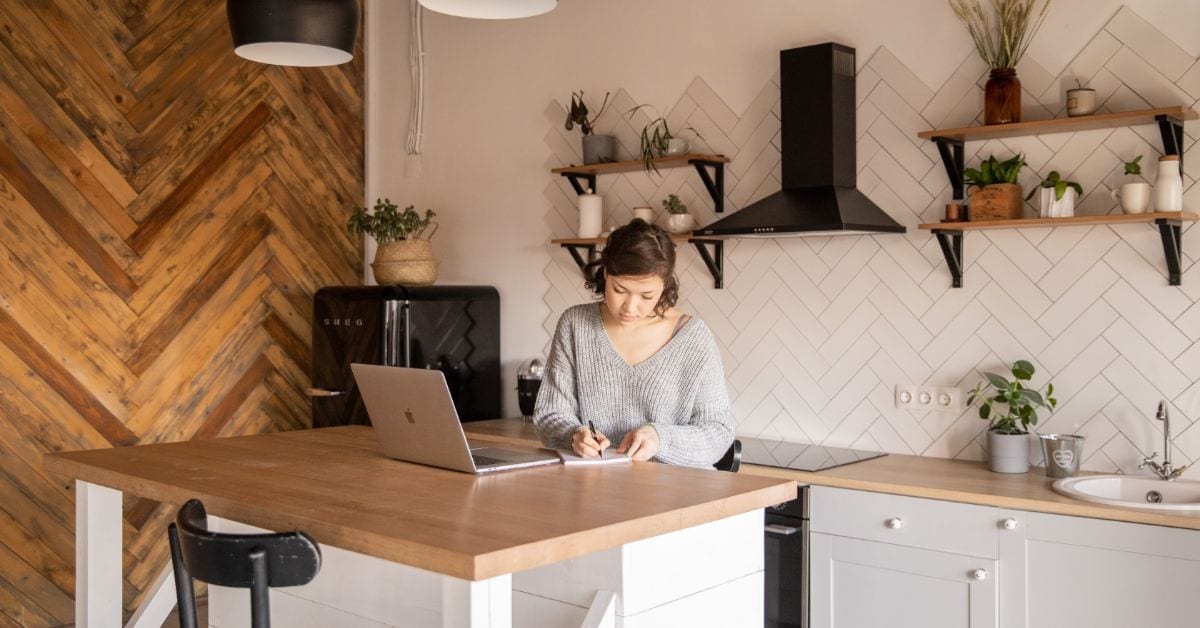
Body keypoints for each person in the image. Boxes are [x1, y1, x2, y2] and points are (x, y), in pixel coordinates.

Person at [533, 219, 734, 467]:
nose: (630, 307)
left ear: (664, 286)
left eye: (646, 295)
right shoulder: (576, 325)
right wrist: (574, 435)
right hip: (594, 488)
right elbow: (549, 415)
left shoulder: (693, 337)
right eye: (619, 290)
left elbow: (718, 432)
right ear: (606, 274)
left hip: (676, 491)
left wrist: (661, 438)